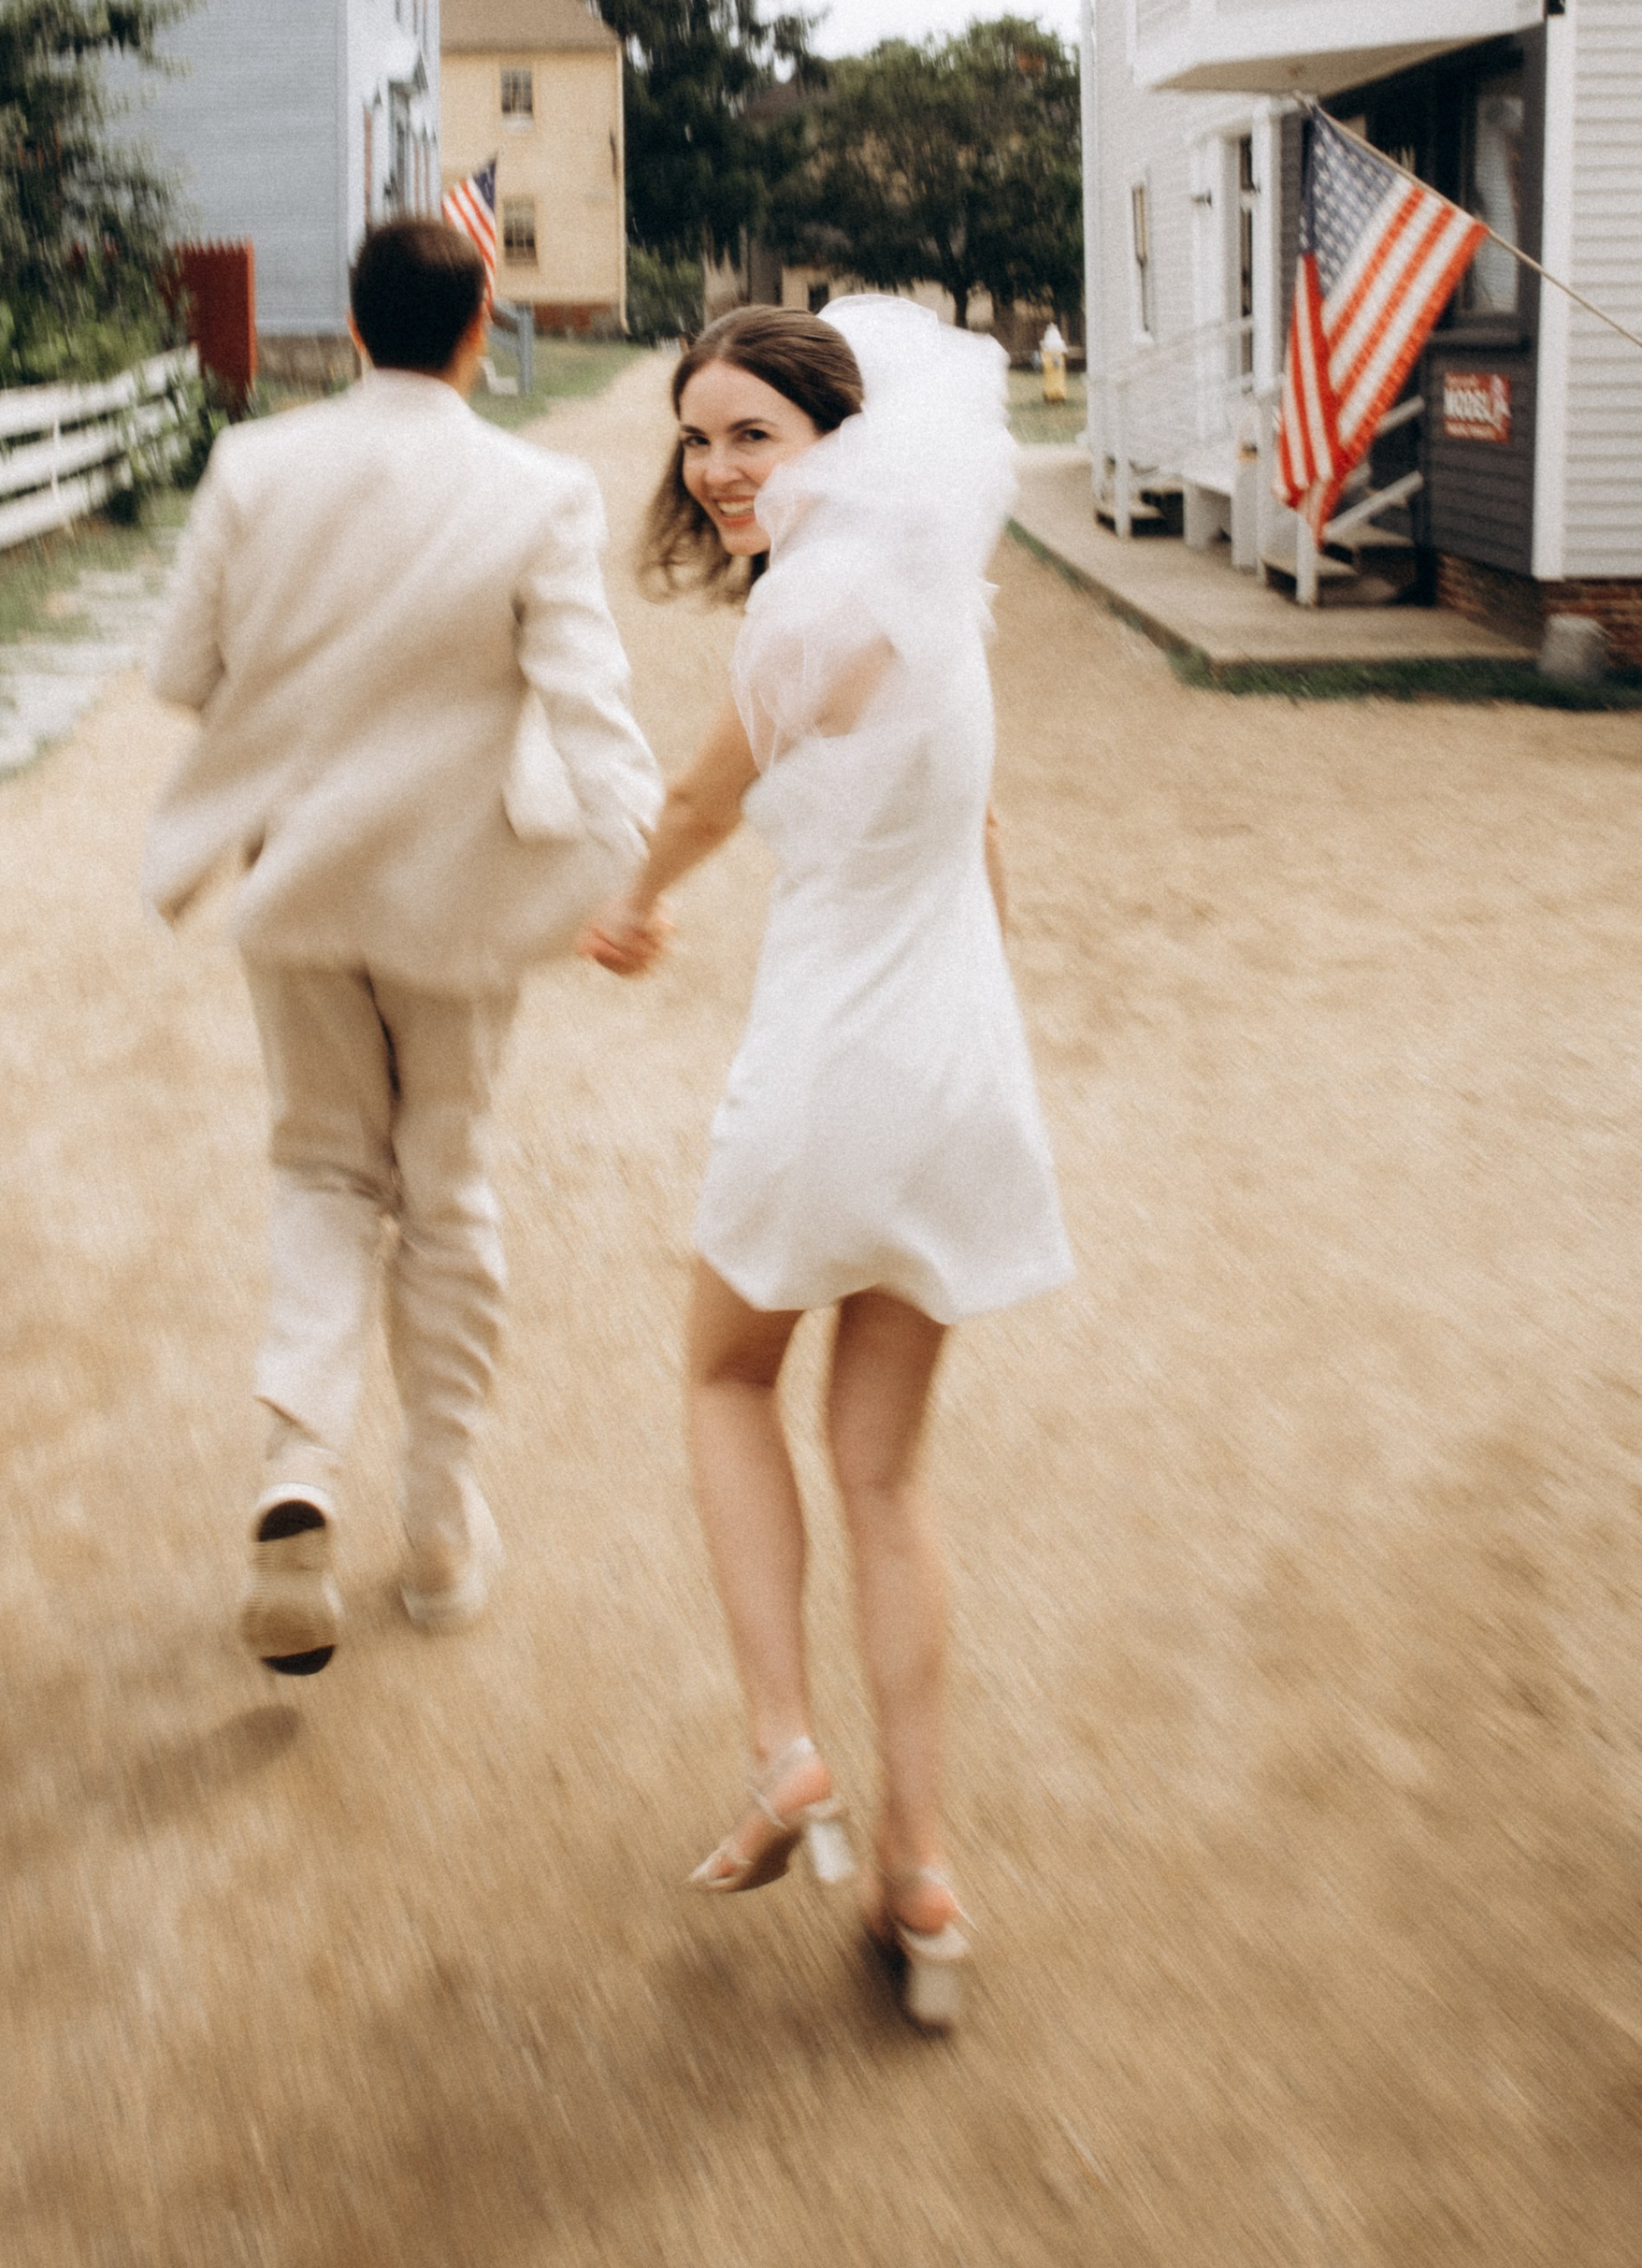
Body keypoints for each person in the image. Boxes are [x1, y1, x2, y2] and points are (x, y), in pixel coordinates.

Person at [581, 298, 1072, 2032]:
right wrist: (995, 1053)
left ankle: (789, 1752)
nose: (714, 470)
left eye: (750, 438)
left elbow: (709, 803)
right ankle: (923, 1884)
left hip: (830, 1063)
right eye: (697, 437)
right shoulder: (949, 602)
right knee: (885, 1476)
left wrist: (631, 902)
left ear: (835, 446)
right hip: (953, 1074)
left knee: (721, 1377)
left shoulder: (806, 615)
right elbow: (986, 845)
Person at [145, 217, 661, 1678]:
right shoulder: (540, 489)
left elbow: (185, 672)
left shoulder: (256, 467)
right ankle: (437, 1527)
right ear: (479, 326)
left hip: (297, 883)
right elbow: (589, 705)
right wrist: (633, 876)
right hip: (463, 901)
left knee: (320, 1167)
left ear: (354, 325)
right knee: (449, 1182)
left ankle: (299, 1465)